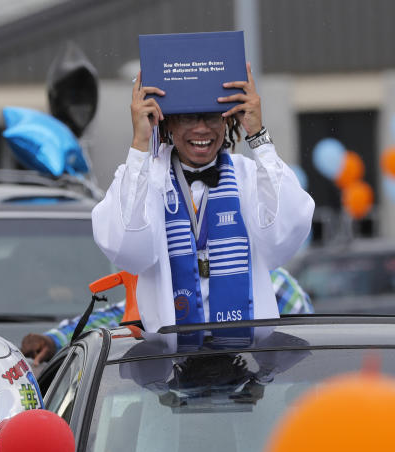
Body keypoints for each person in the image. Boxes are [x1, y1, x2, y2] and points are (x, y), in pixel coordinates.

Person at [90, 63, 314, 333]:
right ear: (168, 121)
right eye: (187, 117)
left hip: (247, 359)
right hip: (170, 363)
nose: (201, 129)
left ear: (227, 120)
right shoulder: (143, 180)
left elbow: (284, 236)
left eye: (210, 116)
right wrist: (140, 142)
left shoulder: (251, 175)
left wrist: (258, 135)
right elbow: (128, 249)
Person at [21, 266, 313, 364]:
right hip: (173, 416)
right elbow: (122, 316)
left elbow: (308, 359)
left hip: (259, 417)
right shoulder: (167, 280)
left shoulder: (273, 285)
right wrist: (56, 339)